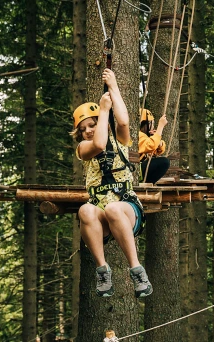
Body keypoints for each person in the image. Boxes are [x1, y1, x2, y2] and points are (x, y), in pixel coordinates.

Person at [71, 68, 152, 298]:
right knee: (86, 210)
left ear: (102, 122)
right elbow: (98, 144)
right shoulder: (84, 148)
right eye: (83, 128)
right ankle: (102, 270)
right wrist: (103, 110)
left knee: (114, 208)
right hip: (101, 214)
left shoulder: (120, 140)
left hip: (126, 209)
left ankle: (137, 270)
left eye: (92, 125)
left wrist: (114, 87)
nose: (87, 131)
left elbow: (124, 121)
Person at [139, 108, 170, 184]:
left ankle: (147, 182)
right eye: (150, 123)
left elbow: (158, 151)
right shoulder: (139, 135)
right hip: (136, 168)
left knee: (162, 161)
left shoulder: (145, 137)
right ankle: (147, 182)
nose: (152, 126)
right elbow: (151, 145)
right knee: (164, 162)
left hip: (139, 168)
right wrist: (160, 127)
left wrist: (158, 141)